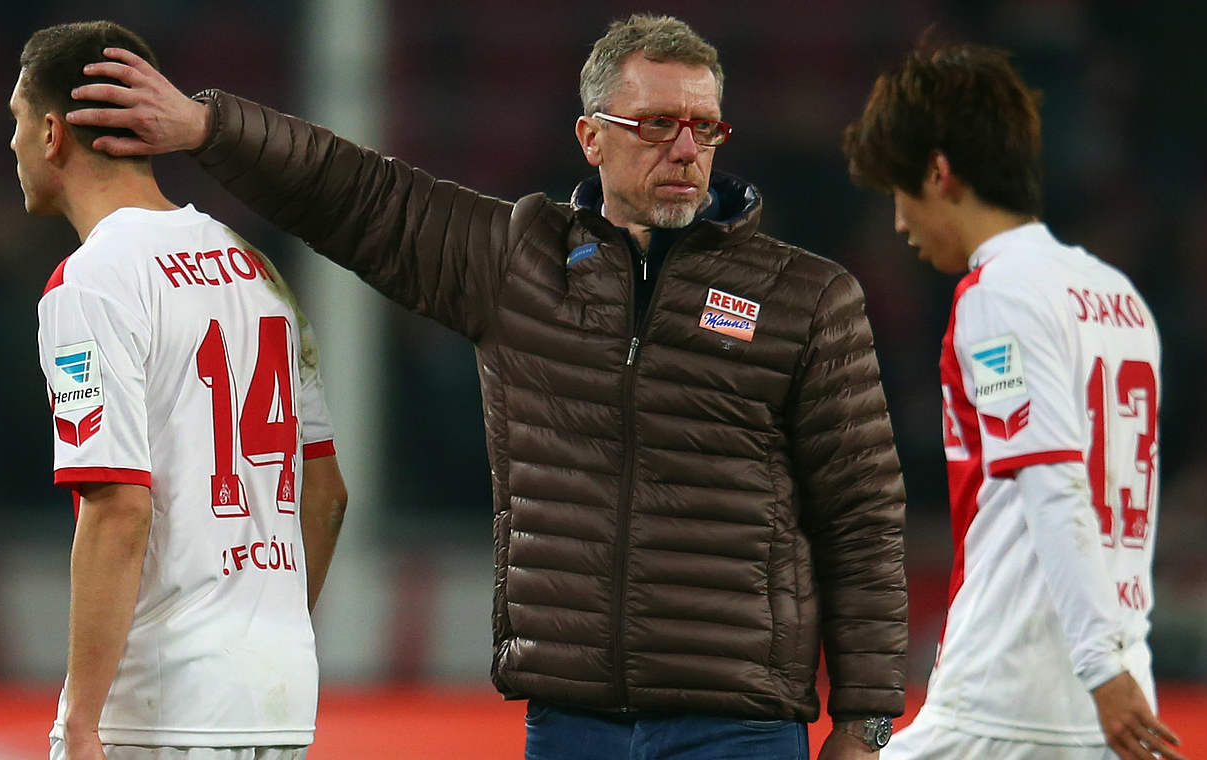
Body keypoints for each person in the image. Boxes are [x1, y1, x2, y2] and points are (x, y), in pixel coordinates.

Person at [67, 14, 907, 759]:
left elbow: (862, 516)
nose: (686, 149)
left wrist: (865, 724)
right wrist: (211, 126)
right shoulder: (521, 263)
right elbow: (360, 196)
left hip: (740, 726)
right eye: (656, 125)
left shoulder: (805, 299)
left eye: (703, 126)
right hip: (572, 720)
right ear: (592, 137)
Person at [11, 21, 348, 760]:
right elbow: (326, 498)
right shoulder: (256, 267)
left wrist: (83, 719)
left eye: (14, 122)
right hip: (278, 692)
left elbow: (118, 507)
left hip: (163, 707)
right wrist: (261, 641)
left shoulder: (91, 283)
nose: (10, 147)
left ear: (49, 132)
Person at [842, 43, 1181, 760]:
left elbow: (1051, 478)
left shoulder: (997, 299)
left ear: (938, 172)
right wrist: (1114, 671)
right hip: (1112, 700)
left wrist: (1099, 669)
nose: (900, 225)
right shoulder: (1121, 300)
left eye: (899, 196)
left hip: (1008, 698)